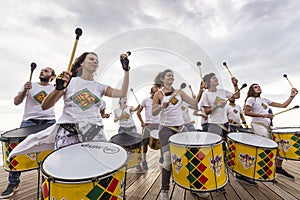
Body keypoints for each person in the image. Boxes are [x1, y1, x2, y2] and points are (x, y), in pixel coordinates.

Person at [9, 52, 130, 161]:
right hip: (68, 132)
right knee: (66, 167)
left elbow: (122, 92)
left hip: (94, 132)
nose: (95, 61)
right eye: (91, 59)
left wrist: (126, 71)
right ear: (81, 63)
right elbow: (45, 106)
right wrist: (58, 88)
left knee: (96, 167)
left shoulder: (100, 87)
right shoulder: (69, 82)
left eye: (96, 60)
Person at [152, 69, 207, 200]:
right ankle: (165, 191)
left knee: (194, 154)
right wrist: (161, 107)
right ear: (162, 79)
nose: (171, 77)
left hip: (181, 128)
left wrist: (200, 91)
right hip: (166, 129)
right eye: (168, 75)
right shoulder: (158, 94)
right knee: (167, 159)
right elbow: (154, 112)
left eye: (172, 75)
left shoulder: (180, 92)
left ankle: (196, 186)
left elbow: (194, 104)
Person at [1, 67, 56, 198]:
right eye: (42, 70)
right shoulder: (30, 85)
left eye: (47, 71)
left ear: (53, 76)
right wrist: (25, 91)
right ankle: (12, 183)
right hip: (29, 121)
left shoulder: (54, 88)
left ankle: (48, 182)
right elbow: (16, 102)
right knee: (17, 149)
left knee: (51, 152)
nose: (42, 72)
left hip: (49, 121)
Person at [200, 73, 257, 188]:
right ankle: (216, 178)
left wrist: (235, 85)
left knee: (232, 149)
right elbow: (206, 112)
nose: (216, 78)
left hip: (226, 124)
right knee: (216, 152)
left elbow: (236, 96)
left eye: (215, 77)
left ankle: (240, 174)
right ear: (208, 82)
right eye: (213, 77)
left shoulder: (223, 91)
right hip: (213, 125)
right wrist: (217, 105)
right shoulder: (206, 95)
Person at [244, 83, 298, 179]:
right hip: (258, 125)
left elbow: (283, 105)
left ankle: (278, 167)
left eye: (259, 86)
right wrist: (264, 115)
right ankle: (263, 171)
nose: (258, 88)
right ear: (251, 90)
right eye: (255, 87)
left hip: (267, 125)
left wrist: (292, 96)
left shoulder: (265, 100)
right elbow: (246, 112)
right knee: (267, 147)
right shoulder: (251, 99)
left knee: (278, 147)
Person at [136, 86, 162, 170]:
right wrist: (142, 122)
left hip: (158, 124)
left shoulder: (160, 101)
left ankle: (162, 157)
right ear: (151, 93)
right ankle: (144, 160)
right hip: (148, 125)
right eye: (154, 93)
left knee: (161, 142)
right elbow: (138, 112)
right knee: (144, 143)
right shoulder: (145, 101)